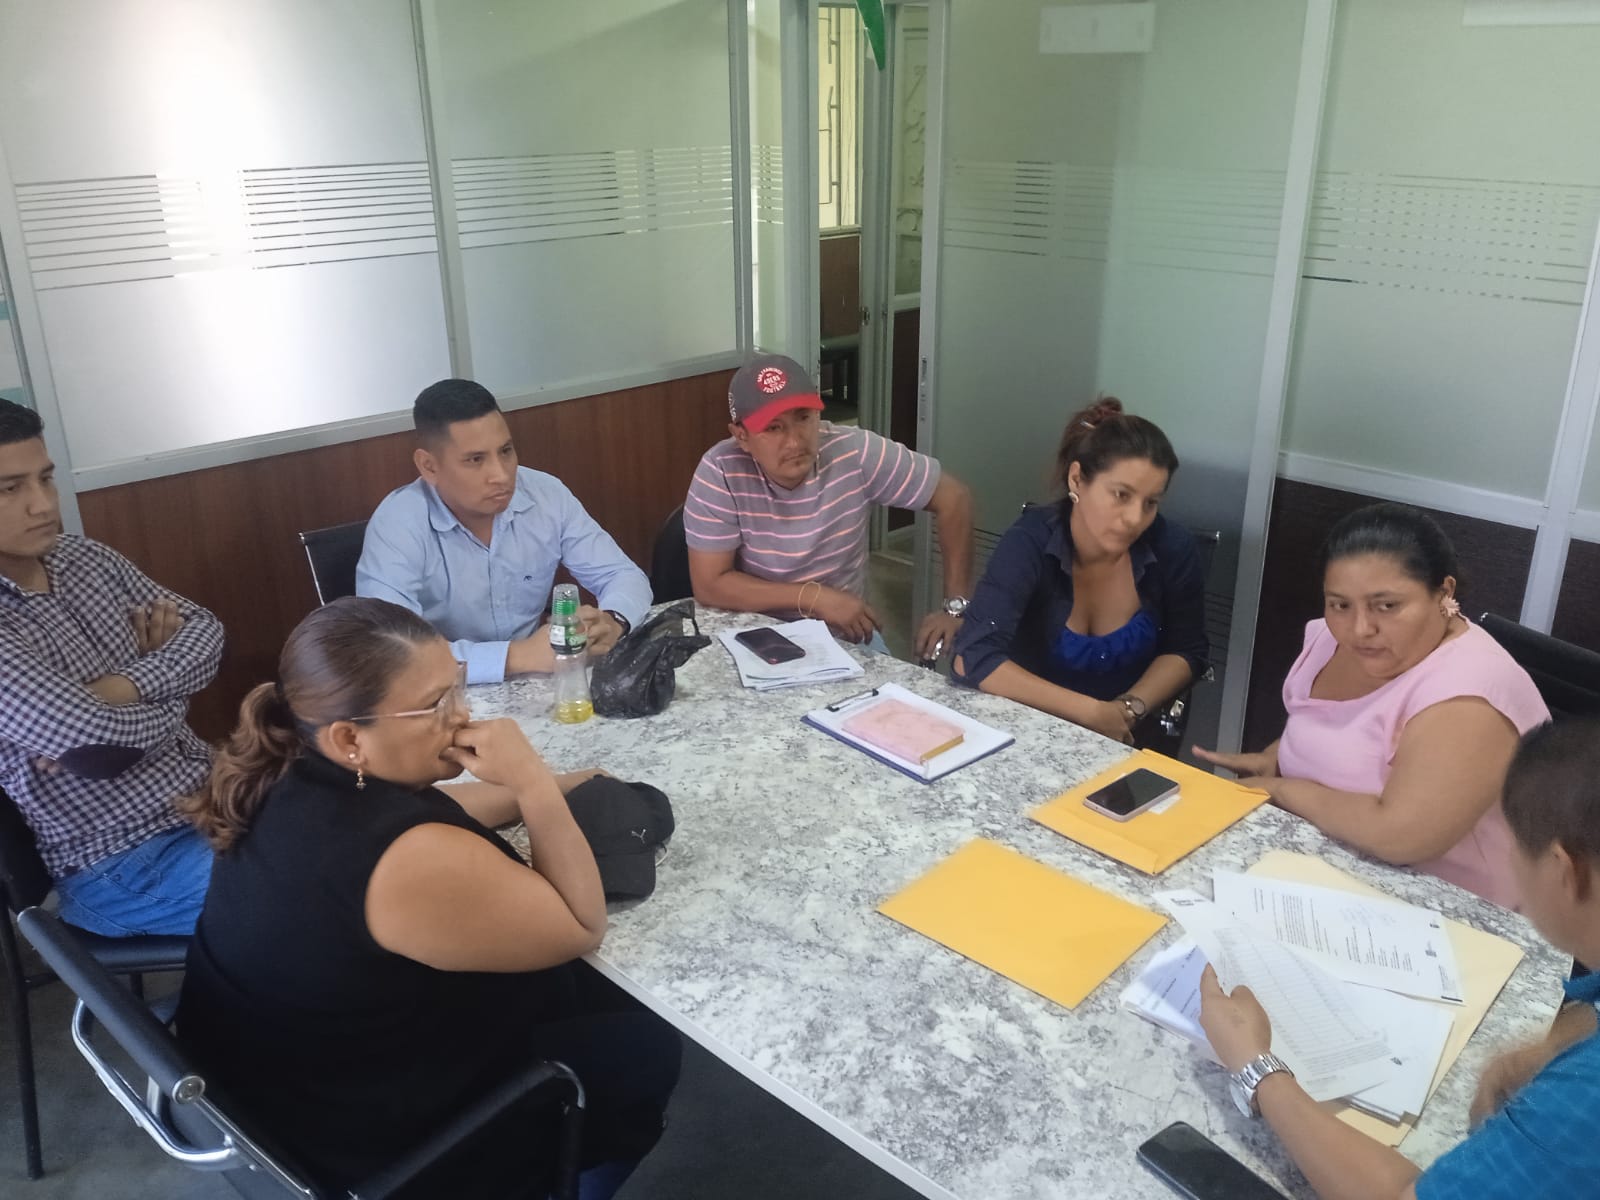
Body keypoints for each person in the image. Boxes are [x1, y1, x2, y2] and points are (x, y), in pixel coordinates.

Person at [175, 597, 680, 1199]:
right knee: (648, 1047)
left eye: (456, 688)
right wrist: (533, 785)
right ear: (350, 738)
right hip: (372, 1147)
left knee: (589, 997)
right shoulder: (405, 860)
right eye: (437, 704)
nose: (461, 714)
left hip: (270, 1086)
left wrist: (565, 785)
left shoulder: (285, 764)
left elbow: (436, 808)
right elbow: (579, 924)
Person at [1198, 717, 1600, 1199]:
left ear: (1563, 869)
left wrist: (1256, 1067)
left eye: (1514, 849)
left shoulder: (1579, 1104)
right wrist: (1560, 1046)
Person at [1195, 503, 1547, 910]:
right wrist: (1277, 757)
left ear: (1444, 592)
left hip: (1449, 910)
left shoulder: (1471, 690)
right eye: (1340, 604)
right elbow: (1331, 721)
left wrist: (1281, 789)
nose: (1360, 629)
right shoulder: (1332, 637)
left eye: (1387, 605)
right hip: (1321, 869)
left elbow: (1400, 836)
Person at [0, 399, 218, 936]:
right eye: (9, 489)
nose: (42, 505)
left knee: (378, 827)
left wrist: (120, 688)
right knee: (326, 887)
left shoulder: (86, 559)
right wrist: (172, 683)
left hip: (212, 793)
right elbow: (99, 751)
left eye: (45, 478)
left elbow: (211, 635)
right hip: (121, 860)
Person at [357, 378, 652, 684]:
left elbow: (623, 575)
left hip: (539, 682)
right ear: (429, 466)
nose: (501, 475)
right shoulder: (398, 524)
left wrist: (613, 621)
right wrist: (517, 656)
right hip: (445, 692)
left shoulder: (545, 494)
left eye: (506, 451)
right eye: (476, 459)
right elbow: (389, 649)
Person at [950, 398, 1207, 746]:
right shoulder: (1030, 541)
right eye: (1121, 495)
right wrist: (1090, 713)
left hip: (1129, 736)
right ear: (1077, 480)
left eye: (1151, 503)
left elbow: (1187, 649)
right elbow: (973, 656)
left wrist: (1127, 708)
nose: (1135, 518)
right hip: (1028, 732)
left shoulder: (1172, 547)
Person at [684, 354, 974, 658]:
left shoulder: (854, 451)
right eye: (773, 428)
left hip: (843, 633)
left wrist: (955, 608)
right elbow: (710, 584)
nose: (795, 442)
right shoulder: (720, 470)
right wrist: (815, 599)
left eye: (803, 417)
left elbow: (954, 498)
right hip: (756, 633)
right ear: (741, 437)